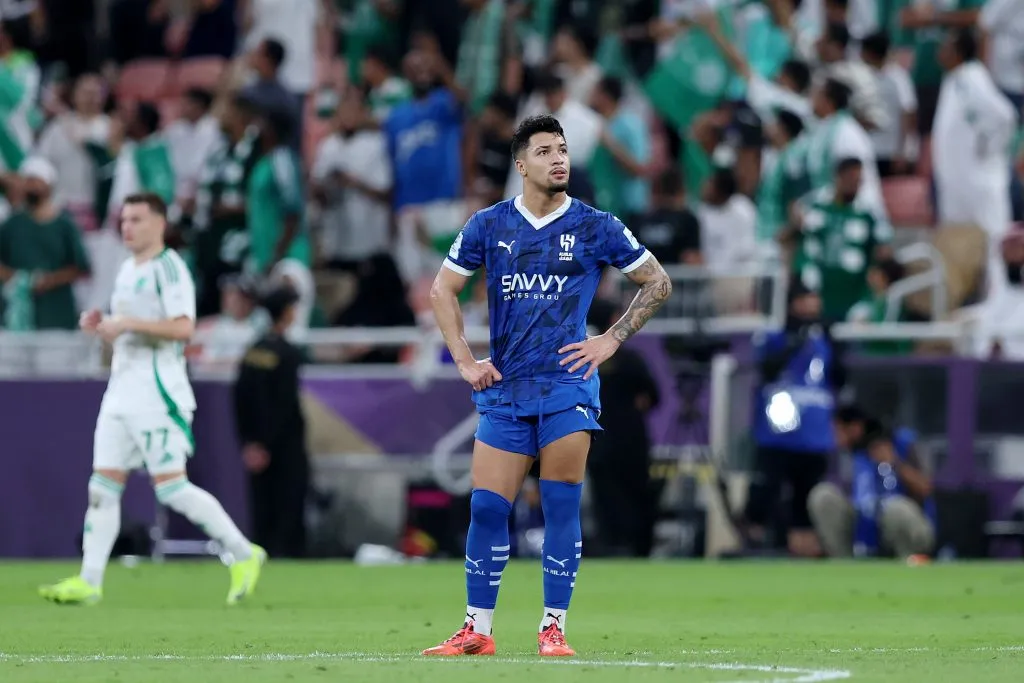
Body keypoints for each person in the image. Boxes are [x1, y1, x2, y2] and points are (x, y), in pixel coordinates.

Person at [423, 115, 671, 657]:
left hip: (567, 386)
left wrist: (610, 338)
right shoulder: (488, 225)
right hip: (507, 390)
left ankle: (552, 627)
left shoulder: (595, 225)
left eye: (562, 149)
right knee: (488, 509)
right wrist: (464, 360)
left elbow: (657, 280)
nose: (558, 158)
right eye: (544, 151)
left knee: (561, 507)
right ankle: (477, 630)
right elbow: (442, 290)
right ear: (521, 164)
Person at [38, 193, 265, 605]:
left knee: (172, 489)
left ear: (159, 224)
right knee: (102, 487)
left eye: (137, 219)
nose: (127, 227)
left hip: (157, 392)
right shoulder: (126, 270)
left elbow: (183, 329)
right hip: (120, 390)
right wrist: (104, 324)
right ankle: (90, 581)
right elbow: (129, 327)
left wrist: (126, 323)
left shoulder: (169, 268)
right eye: (124, 219)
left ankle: (245, 552)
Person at [744, 281, 845, 557]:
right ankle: (754, 545)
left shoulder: (824, 339)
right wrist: (795, 341)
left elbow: (840, 378)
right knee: (764, 494)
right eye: (807, 298)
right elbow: (766, 369)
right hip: (777, 434)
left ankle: (803, 552)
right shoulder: (775, 335)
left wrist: (834, 343)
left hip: (813, 436)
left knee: (807, 501)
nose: (813, 305)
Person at [233, 283, 309, 559]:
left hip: (256, 447)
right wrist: (267, 443)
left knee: (262, 509)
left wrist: (250, 443)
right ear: (286, 313)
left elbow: (240, 399)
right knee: (289, 508)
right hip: (285, 445)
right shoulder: (288, 354)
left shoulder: (252, 351)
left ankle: (258, 559)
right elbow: (284, 405)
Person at [809, 403, 936, 559]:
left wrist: (894, 463)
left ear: (855, 428)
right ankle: (843, 566)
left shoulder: (904, 443)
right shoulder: (845, 455)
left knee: (896, 508)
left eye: (839, 431)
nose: (836, 438)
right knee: (823, 495)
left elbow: (926, 488)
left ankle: (910, 564)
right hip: (862, 525)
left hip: (903, 524)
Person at [585, 299, 660, 558]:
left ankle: (609, 547)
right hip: (631, 440)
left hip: (595, 438)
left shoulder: (582, 358)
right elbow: (652, 396)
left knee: (605, 500)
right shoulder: (630, 360)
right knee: (637, 494)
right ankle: (637, 548)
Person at [0, 156, 91, 330]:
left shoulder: (65, 225)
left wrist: (49, 281)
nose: (31, 187)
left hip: (56, 312)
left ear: (48, 185)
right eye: (28, 181)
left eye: (36, 181)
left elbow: (80, 266)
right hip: (17, 313)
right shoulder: (11, 225)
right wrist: (17, 279)